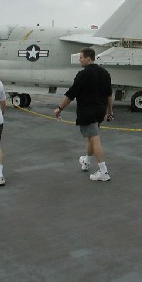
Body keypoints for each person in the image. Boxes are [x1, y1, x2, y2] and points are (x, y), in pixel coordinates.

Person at [53, 47, 114, 182]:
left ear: (88, 58)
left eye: (81, 57)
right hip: (100, 110)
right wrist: (110, 111)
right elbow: (109, 95)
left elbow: (71, 94)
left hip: (87, 111)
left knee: (95, 139)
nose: (79, 59)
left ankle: (104, 172)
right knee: (92, 138)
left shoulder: (82, 74)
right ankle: (86, 162)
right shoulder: (105, 73)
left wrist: (59, 108)